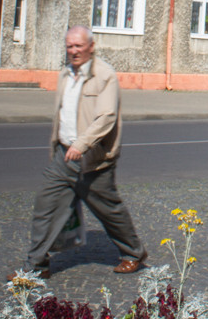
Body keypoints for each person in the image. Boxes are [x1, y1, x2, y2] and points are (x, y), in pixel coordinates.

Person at [15, 25, 147, 278]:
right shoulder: (65, 74)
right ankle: (36, 266)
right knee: (46, 206)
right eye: (69, 46)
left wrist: (81, 144)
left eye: (78, 46)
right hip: (63, 155)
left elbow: (106, 117)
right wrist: (61, 144)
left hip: (92, 159)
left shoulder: (104, 75)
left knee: (108, 210)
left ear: (91, 47)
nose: (73, 51)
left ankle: (134, 253)